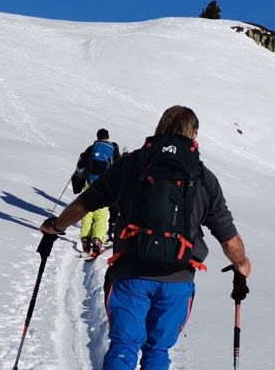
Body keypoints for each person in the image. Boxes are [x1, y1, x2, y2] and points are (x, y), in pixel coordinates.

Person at [40, 105, 252, 370]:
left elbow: (86, 203)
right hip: (178, 278)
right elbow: (228, 237)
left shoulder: (130, 164)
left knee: (123, 348)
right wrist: (241, 263)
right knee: (158, 350)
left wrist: (56, 226)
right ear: (194, 135)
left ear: (160, 127)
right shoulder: (203, 177)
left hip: (130, 273)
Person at [72, 129, 119, 260]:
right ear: (108, 137)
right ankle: (97, 240)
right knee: (101, 213)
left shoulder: (92, 148)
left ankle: (85, 239)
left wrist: (77, 178)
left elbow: (81, 164)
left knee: (86, 211)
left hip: (89, 183)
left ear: (97, 137)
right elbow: (118, 165)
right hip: (104, 185)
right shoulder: (113, 148)